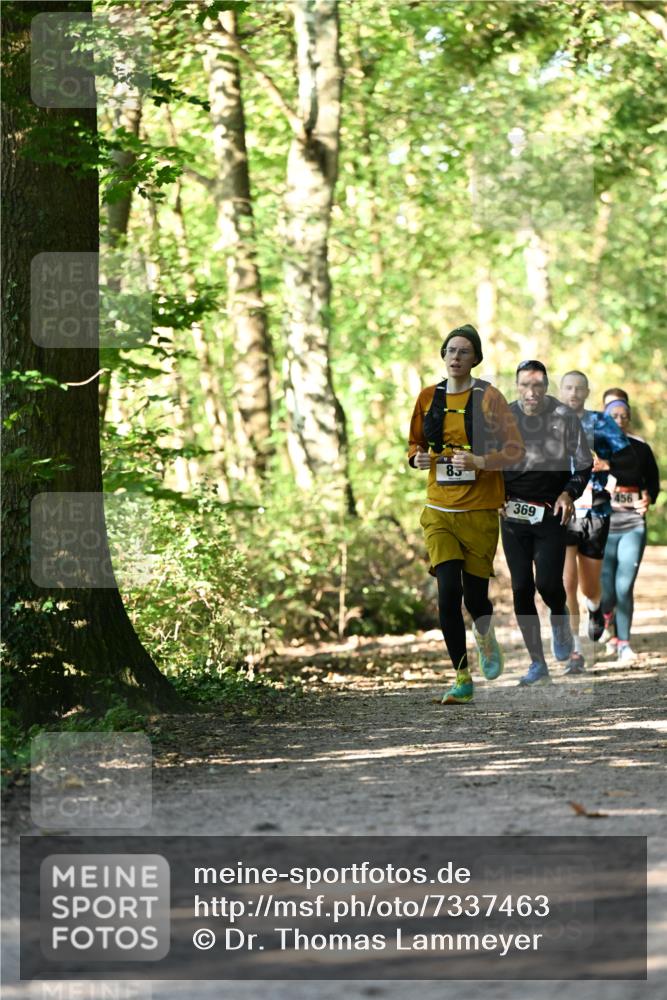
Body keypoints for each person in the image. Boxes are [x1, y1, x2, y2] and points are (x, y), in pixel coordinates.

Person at [408, 324, 525, 704]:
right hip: (439, 508)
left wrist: (480, 460)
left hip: (479, 511)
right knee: (448, 593)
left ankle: (485, 635)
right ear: (443, 356)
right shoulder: (428, 397)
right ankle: (461, 677)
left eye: (463, 352)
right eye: (450, 351)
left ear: (475, 358)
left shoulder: (490, 398)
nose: (456, 358)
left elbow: (515, 451)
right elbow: (414, 444)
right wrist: (416, 458)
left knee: (475, 599)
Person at [502, 361, 593, 686]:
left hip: (552, 515)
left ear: (546, 386)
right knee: (521, 587)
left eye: (538, 385)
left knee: (549, 586)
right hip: (512, 516)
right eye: (525, 385)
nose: (532, 392)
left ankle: (559, 621)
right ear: (517, 386)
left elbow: (584, 463)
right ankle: (537, 664)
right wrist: (493, 495)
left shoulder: (563, 417)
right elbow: (487, 463)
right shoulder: (503, 418)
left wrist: (569, 493)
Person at [559, 371, 640, 674]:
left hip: (596, 511)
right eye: (568, 387)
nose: (574, 393)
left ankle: (594, 609)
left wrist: (607, 464)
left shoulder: (602, 422)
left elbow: (629, 461)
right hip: (562, 510)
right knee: (567, 582)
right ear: (561, 391)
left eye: (580, 388)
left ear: (587, 392)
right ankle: (576, 652)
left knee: (590, 587)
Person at [601, 397, 660, 662]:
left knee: (624, 587)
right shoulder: (594, 448)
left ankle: (624, 642)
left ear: (629, 419)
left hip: (633, 523)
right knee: (607, 590)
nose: (620, 420)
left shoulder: (640, 448)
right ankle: (604, 618)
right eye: (614, 416)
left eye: (624, 416)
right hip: (601, 523)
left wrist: (648, 497)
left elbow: (653, 484)